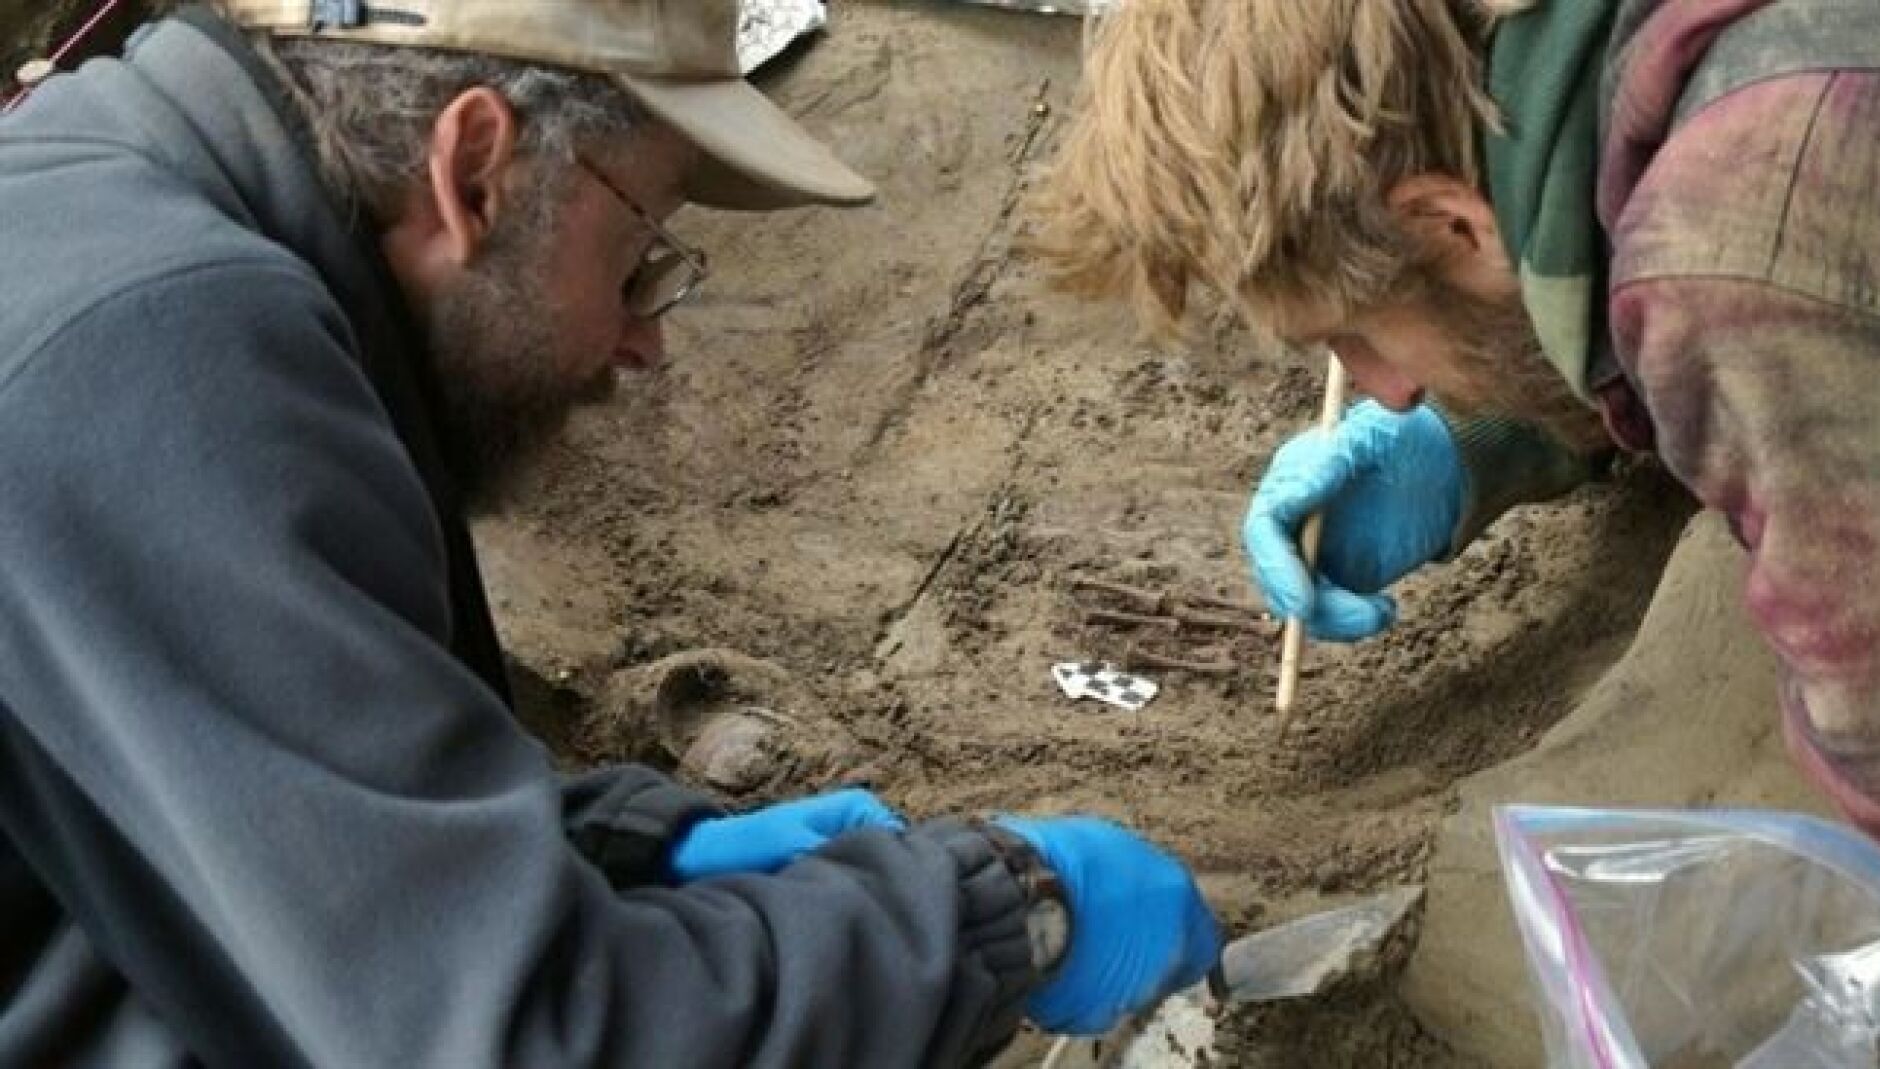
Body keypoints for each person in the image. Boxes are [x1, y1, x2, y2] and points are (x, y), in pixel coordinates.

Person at [0, 1, 1223, 1065]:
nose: (645, 339)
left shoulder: (103, 198)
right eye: (641, 255)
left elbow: (242, 825)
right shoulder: (159, 360)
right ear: (474, 168)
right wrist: (1007, 914)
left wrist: (626, 847)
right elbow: (528, 1039)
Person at [1029, 0, 1880, 847]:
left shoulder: (1738, 252)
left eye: (1357, 333)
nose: (1390, 392)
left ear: (1449, 221)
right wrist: (1481, 441)